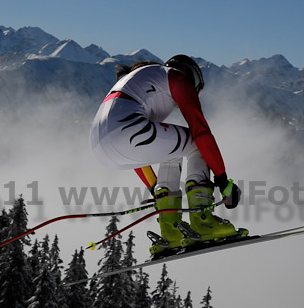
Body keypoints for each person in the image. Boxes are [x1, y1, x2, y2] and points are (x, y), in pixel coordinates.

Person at [90, 54, 246, 254]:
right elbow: (201, 132)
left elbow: (137, 151)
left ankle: (171, 229)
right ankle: (203, 221)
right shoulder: (178, 77)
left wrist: (156, 189)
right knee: (196, 144)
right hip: (124, 131)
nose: (194, 90)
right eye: (196, 85)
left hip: (99, 146)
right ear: (189, 73)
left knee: (170, 150)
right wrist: (223, 180)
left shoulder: (140, 83)